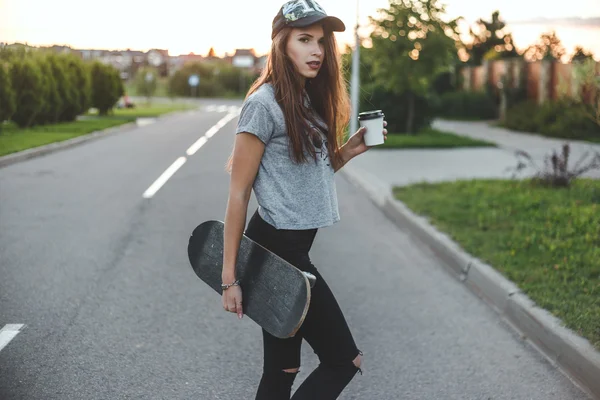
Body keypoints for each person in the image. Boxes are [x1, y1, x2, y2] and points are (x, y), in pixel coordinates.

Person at [221, 1, 387, 398]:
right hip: (279, 253)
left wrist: (347, 151)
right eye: (305, 39)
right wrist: (229, 279)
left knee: (283, 369)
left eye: (322, 42)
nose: (317, 51)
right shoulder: (263, 105)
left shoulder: (305, 102)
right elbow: (239, 193)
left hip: (289, 248)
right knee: (344, 361)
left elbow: (309, 176)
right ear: (282, 44)